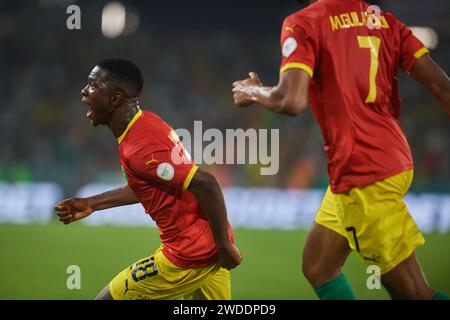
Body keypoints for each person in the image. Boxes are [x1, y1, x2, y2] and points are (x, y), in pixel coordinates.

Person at [232, 0, 449, 300]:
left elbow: (291, 101)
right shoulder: (386, 22)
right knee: (318, 265)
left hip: (363, 172)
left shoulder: (305, 21)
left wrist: (252, 91)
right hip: (392, 158)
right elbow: (443, 88)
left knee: (414, 294)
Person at [55, 58, 242, 300]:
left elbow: (206, 183)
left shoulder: (142, 146)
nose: (84, 91)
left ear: (115, 98)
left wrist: (224, 246)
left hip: (189, 255)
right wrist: (92, 204)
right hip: (206, 248)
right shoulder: (144, 123)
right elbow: (146, 186)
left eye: (92, 85)